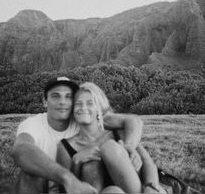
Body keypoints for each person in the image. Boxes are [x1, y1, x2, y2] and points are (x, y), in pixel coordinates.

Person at [11, 76, 143, 193]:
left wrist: (129, 147)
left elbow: (132, 120)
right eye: (55, 96)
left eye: (68, 97)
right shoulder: (34, 124)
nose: (62, 102)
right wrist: (67, 177)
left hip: (89, 186)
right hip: (54, 186)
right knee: (30, 174)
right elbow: (21, 149)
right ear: (45, 101)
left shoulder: (84, 118)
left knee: (93, 166)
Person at [56, 82, 166, 193]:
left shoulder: (117, 133)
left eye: (90, 103)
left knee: (109, 147)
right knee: (110, 188)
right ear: (73, 111)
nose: (83, 107)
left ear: (99, 110)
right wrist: (76, 161)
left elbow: (148, 162)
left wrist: (150, 186)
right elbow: (63, 189)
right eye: (78, 104)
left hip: (140, 189)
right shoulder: (64, 146)